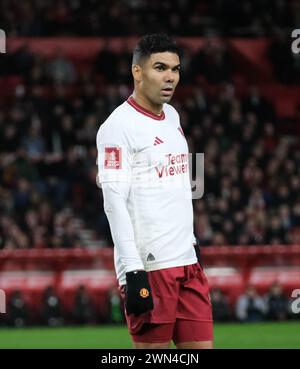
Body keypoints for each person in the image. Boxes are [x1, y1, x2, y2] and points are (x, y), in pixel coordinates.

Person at [96, 33, 213, 349]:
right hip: (150, 267)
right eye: (160, 67)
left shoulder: (172, 116)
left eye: (175, 69)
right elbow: (113, 202)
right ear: (137, 71)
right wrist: (132, 270)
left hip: (187, 263)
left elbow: (177, 187)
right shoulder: (117, 127)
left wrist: (191, 241)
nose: (170, 77)